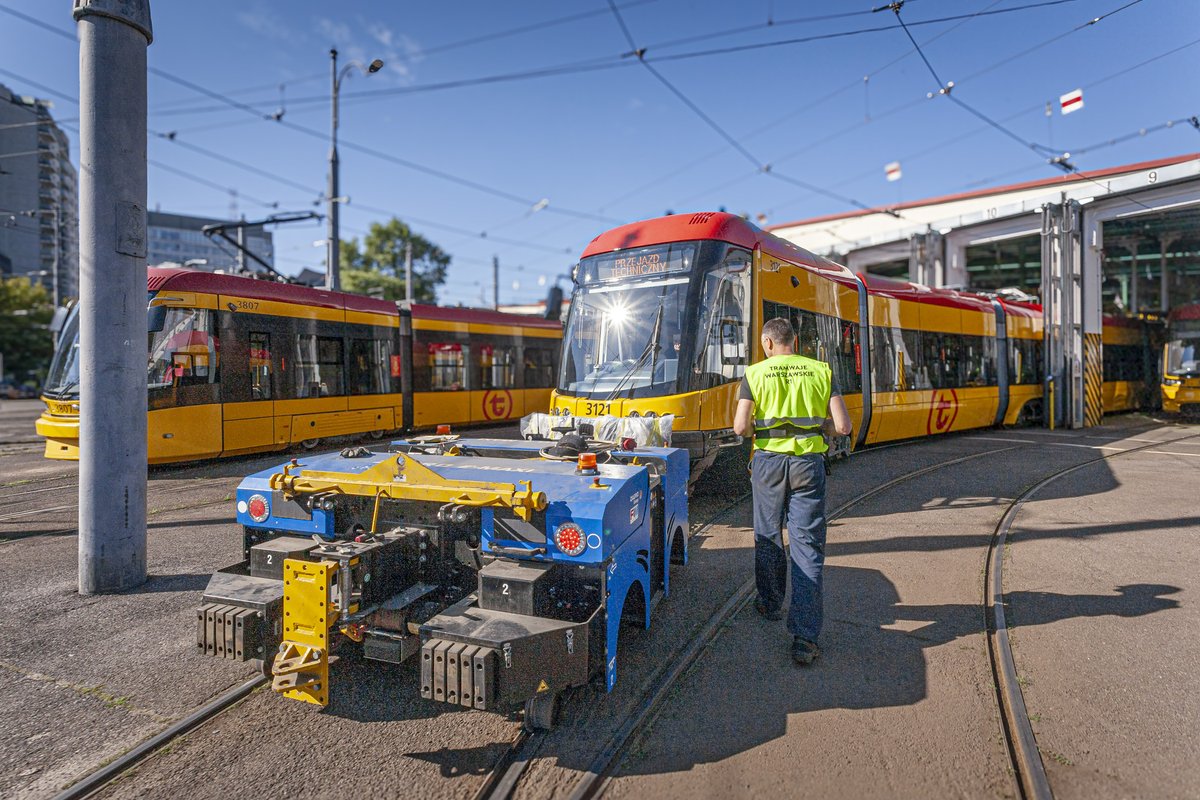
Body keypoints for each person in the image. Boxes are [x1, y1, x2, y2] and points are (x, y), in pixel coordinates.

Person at [733, 316, 852, 665]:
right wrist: (817, 425)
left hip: (768, 464)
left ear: (768, 344)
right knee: (807, 546)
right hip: (808, 466)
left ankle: (770, 603)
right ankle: (804, 637)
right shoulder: (821, 371)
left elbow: (741, 427)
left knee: (768, 534)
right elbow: (843, 426)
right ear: (795, 342)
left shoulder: (755, 374)